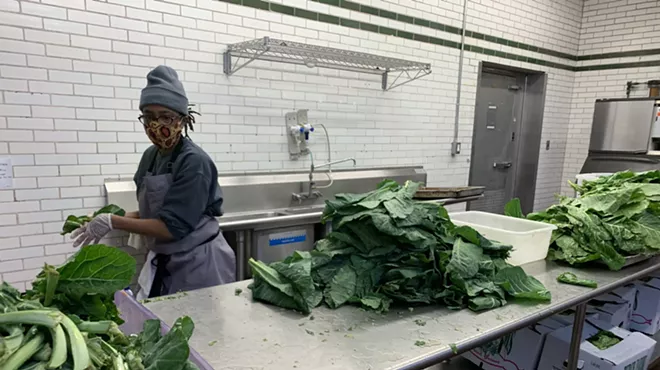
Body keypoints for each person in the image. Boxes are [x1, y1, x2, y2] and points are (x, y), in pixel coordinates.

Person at [71, 65, 236, 298]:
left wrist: (114, 221)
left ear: (182, 119)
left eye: (166, 117)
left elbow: (171, 226)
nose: (156, 125)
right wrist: (103, 219)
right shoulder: (151, 156)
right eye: (149, 117)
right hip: (166, 260)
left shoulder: (194, 162)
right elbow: (156, 212)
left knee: (201, 330)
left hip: (199, 263)